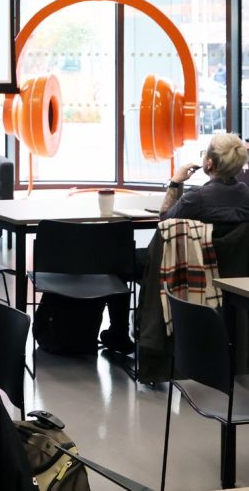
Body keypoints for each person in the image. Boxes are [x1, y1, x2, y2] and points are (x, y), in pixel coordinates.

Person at [103, 133, 249, 355]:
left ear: (208, 163)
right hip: (232, 272)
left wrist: (175, 181)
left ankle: (118, 334)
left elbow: (165, 223)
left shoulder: (196, 198)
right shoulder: (246, 196)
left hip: (187, 272)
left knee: (119, 262)